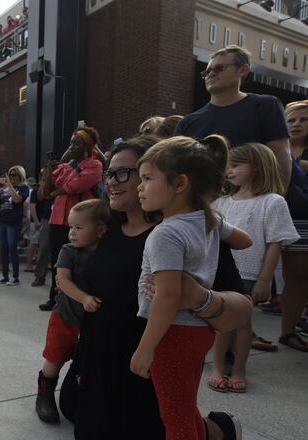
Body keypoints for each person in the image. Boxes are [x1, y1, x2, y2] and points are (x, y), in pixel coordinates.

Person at [131, 135, 251, 440]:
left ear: (180, 183)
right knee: (182, 406)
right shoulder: (207, 219)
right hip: (199, 330)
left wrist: (145, 349)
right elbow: (244, 240)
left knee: (176, 418)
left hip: (172, 334)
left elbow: (168, 296)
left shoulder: (166, 233)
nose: (139, 187)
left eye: (147, 178)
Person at [208, 143, 298, 392]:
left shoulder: (273, 202)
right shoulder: (222, 202)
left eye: (236, 165)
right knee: (221, 323)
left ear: (257, 167)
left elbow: (275, 243)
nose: (229, 170)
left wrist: (264, 279)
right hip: (222, 272)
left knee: (243, 325)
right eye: (228, 165)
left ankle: (238, 370)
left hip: (249, 275)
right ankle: (217, 368)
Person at [174, 45, 291, 190]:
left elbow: (280, 157)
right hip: (201, 207)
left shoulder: (265, 106)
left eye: (219, 68)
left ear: (243, 70)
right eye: (207, 71)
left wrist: (275, 199)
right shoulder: (187, 122)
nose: (211, 74)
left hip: (251, 203)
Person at [37, 199, 110, 424]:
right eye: (71, 227)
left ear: (100, 230)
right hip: (65, 317)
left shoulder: (107, 252)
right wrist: (85, 298)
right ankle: (45, 395)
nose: (72, 233)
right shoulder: (68, 251)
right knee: (54, 358)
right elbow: (64, 281)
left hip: (92, 323)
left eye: (79, 228)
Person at [42, 127, 103, 310]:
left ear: (87, 146)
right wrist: (48, 172)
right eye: (70, 143)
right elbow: (46, 192)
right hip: (57, 219)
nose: (71, 147)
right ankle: (55, 297)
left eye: (76, 144)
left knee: (80, 261)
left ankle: (79, 297)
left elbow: (74, 187)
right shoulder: (65, 166)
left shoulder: (94, 165)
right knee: (57, 261)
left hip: (80, 222)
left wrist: (55, 190)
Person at [279, 100, 308, 351]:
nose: (297, 124)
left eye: (303, 119)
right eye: (291, 120)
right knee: (250, 275)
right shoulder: (275, 146)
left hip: (301, 218)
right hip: (268, 214)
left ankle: (288, 331)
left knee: (297, 276)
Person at [0, 166, 30, 286]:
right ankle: (4, 275)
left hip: (14, 222)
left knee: (12, 248)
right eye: (10, 175)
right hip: (2, 220)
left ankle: (15, 277)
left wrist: (10, 186)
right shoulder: (4, 189)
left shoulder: (24, 188)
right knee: (3, 248)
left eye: (14, 175)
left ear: (20, 176)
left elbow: (17, 200)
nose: (11, 177)